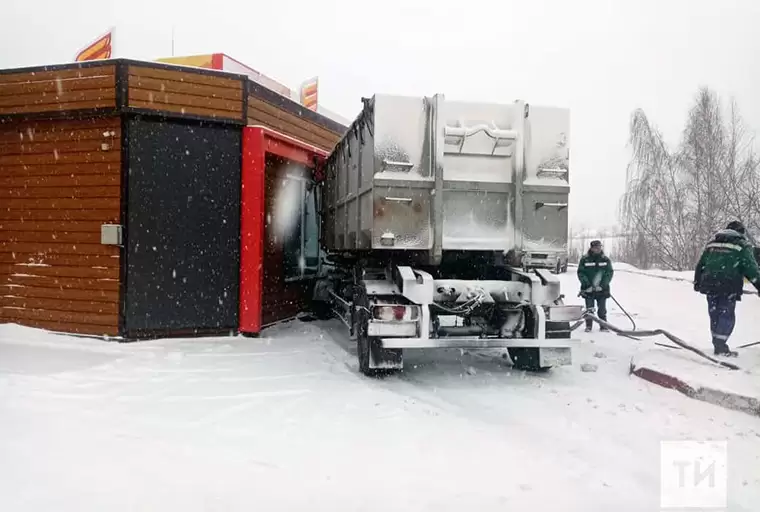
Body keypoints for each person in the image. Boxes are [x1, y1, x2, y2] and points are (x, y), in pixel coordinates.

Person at [694, 220, 760, 356]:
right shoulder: (742, 245)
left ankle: (718, 343)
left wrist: (697, 281)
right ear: (741, 232)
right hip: (728, 285)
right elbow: (751, 269)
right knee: (726, 315)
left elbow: (701, 264)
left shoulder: (712, 243)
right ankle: (720, 346)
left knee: (715, 314)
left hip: (710, 284)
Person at [578, 240, 614, 332]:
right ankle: (588, 326)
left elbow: (609, 273)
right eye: (596, 247)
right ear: (591, 248)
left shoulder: (605, 260)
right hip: (588, 289)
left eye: (599, 247)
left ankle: (603, 326)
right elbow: (581, 273)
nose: (598, 249)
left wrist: (602, 285)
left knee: (602, 309)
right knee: (590, 309)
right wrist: (588, 285)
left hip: (602, 290)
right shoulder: (585, 259)